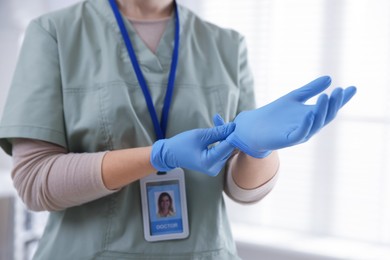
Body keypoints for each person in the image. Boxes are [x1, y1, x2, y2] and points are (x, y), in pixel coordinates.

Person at [0, 0, 356, 259]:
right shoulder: (55, 34)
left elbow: (242, 191)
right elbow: (34, 183)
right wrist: (159, 156)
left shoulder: (227, 45)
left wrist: (258, 151)